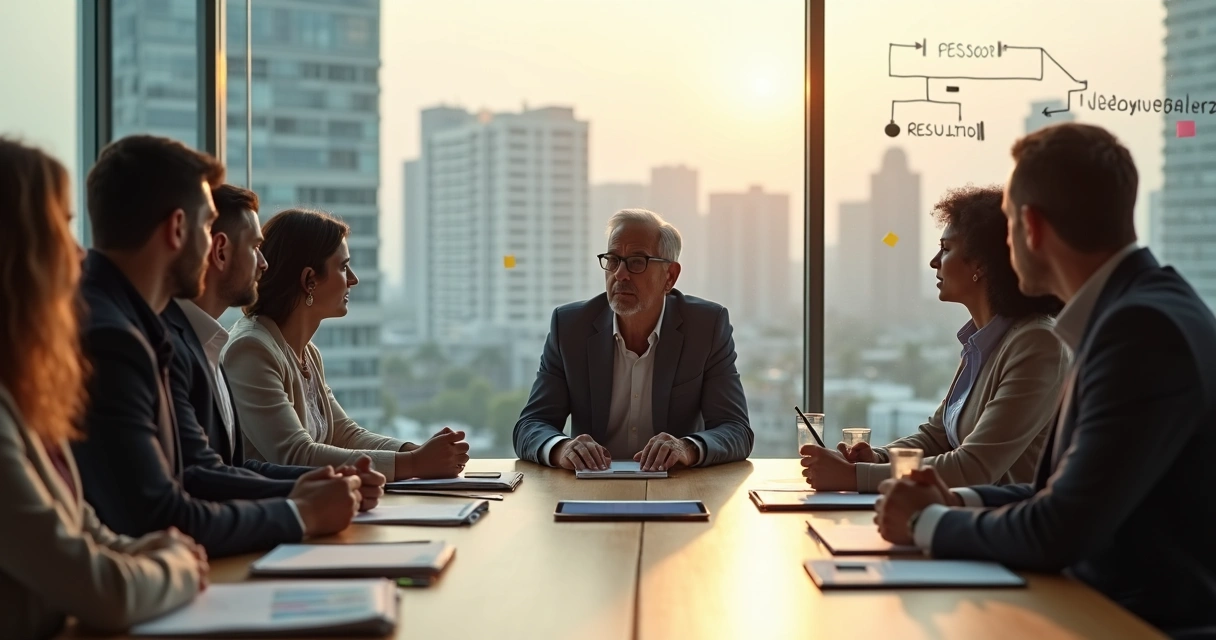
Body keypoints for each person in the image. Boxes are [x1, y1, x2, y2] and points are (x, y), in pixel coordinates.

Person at [874, 123, 1216, 635]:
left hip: (1132, 623)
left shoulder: (1140, 330)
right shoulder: (1134, 311)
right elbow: (1053, 494)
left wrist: (927, 522)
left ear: (1030, 227)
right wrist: (955, 500)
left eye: (1008, 225)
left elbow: (1059, 528)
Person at [71, 135, 362, 559]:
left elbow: (204, 470)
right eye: (207, 226)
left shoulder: (145, 326)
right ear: (177, 229)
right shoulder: (114, 337)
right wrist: (301, 513)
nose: (213, 246)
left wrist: (307, 488)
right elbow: (161, 510)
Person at [0, 138, 205, 637]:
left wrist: (159, 552)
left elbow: (87, 534)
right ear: (16, 255)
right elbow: (103, 591)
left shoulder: (22, 398)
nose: (79, 252)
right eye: (63, 228)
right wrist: (179, 566)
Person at [801, 185, 1069, 492]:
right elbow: (937, 437)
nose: (934, 261)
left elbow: (973, 467)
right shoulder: (983, 342)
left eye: (946, 248)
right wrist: (877, 457)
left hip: (1000, 518)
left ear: (981, 264)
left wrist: (855, 476)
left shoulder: (1037, 344)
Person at [163, 184, 385, 511]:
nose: (263, 263)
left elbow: (229, 469)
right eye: (255, 247)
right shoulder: (241, 347)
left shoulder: (213, 341)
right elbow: (202, 482)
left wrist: (412, 455)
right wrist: (305, 507)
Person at [224, 208, 470, 481]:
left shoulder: (306, 352)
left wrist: (417, 452)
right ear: (309, 280)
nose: (353, 279)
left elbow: (345, 435)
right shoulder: (251, 350)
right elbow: (295, 455)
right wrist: (414, 463)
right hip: (272, 506)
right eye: (343, 267)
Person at [514, 208, 753, 471]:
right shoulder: (571, 327)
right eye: (613, 260)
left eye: (637, 262)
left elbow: (736, 430)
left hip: (675, 486)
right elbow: (531, 425)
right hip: (591, 486)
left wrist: (686, 448)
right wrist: (562, 448)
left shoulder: (705, 327)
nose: (620, 274)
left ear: (670, 276)